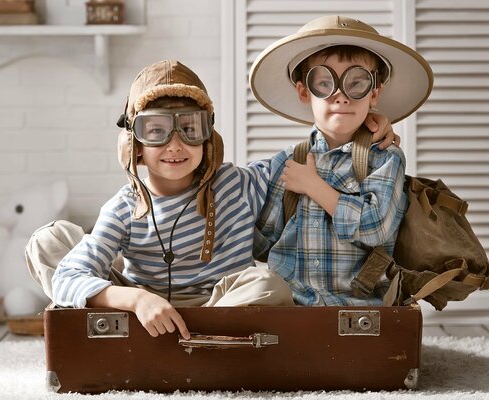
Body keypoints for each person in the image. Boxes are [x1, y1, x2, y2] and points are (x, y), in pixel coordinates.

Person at [25, 59, 399, 340]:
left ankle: (197, 337)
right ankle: (145, 327)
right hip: (144, 305)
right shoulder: (124, 208)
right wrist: (136, 301)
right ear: (133, 145)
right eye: (155, 131)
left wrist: (366, 126)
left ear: (209, 140)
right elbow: (70, 274)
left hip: (224, 306)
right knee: (50, 241)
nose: (175, 145)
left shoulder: (239, 184)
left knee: (270, 284)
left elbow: (321, 152)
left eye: (189, 129)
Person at [249, 15, 433, 306]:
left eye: (356, 83)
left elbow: (374, 228)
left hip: (359, 307)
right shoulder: (288, 161)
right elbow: (263, 244)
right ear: (303, 91)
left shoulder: (385, 157)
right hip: (292, 309)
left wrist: (313, 185)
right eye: (324, 83)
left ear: (374, 93)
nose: (341, 96)